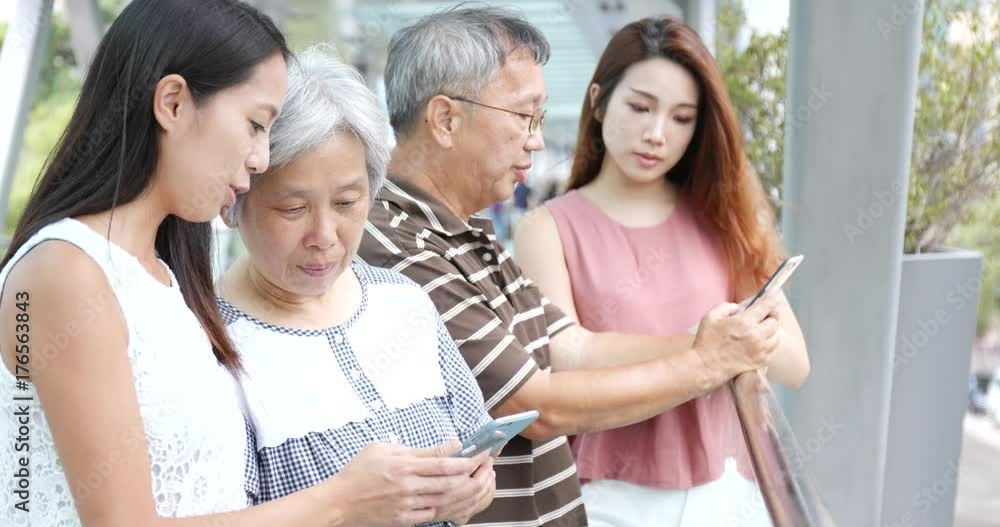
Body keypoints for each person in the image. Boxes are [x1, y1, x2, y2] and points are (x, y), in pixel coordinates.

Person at [0, 2, 480, 525]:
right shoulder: (67, 272)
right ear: (173, 102)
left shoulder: (163, 279)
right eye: (255, 124)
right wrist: (342, 500)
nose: (260, 157)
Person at [358, 6, 783, 526]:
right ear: (446, 119)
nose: (536, 140)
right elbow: (534, 406)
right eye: (524, 116)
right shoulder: (394, 249)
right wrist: (706, 365)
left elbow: (574, 348)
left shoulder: (468, 236)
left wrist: (714, 341)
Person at [513, 17, 810, 526]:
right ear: (598, 101)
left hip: (728, 493)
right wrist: (710, 346)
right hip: (608, 496)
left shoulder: (723, 218)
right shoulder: (548, 228)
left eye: (681, 118)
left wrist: (727, 344)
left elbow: (794, 364)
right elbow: (567, 356)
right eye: (639, 107)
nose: (656, 134)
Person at [217, 45, 495, 526]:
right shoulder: (212, 344)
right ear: (235, 200)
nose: (324, 237)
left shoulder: (403, 300)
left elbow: (477, 452)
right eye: (293, 209)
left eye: (347, 203)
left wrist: (472, 491)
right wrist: (343, 507)